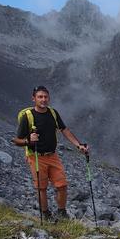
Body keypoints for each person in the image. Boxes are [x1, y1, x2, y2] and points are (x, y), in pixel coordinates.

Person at [13, 85, 88, 220]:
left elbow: (64, 130)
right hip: (36, 156)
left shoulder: (53, 113)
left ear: (49, 98)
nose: (43, 99)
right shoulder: (27, 117)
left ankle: (61, 212)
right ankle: (46, 214)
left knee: (62, 185)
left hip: (52, 155)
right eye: (40, 97)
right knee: (41, 188)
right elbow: (17, 140)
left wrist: (79, 145)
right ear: (33, 99)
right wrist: (28, 141)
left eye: (45, 97)